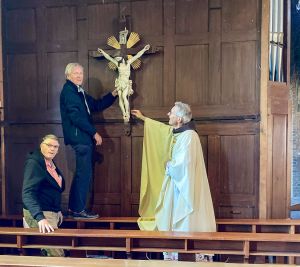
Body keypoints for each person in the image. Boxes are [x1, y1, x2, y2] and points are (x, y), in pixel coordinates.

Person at [131, 102, 216, 262]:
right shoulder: (180, 132)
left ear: (179, 119)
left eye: (171, 113)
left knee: (184, 219)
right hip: (177, 186)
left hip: (185, 188)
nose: (168, 115)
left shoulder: (189, 136)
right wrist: (144, 119)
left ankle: (187, 256)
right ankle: (175, 254)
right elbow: (163, 130)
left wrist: (170, 165)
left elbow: (185, 164)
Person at [60, 63, 118, 219]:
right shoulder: (69, 92)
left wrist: (114, 94)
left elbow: (96, 105)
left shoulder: (79, 92)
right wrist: (94, 133)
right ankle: (79, 210)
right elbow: (76, 117)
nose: (79, 76)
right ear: (68, 76)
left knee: (81, 174)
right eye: (75, 73)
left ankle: (74, 209)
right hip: (80, 138)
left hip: (83, 139)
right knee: (83, 175)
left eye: (81, 73)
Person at [22, 134, 65, 257]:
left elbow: (54, 189)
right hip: (41, 214)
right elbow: (27, 193)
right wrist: (39, 217)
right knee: (56, 255)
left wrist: (57, 210)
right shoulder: (34, 163)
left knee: (54, 252)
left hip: (52, 212)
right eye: (49, 145)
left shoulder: (50, 163)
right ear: (41, 145)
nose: (52, 149)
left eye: (55, 146)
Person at [98, 44, 150, 122]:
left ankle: (127, 112)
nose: (117, 59)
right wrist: (103, 52)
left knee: (124, 96)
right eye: (116, 58)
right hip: (120, 82)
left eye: (118, 58)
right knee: (120, 98)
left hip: (125, 82)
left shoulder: (128, 62)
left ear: (122, 58)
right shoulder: (117, 64)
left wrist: (144, 49)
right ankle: (124, 113)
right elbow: (109, 58)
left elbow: (137, 56)